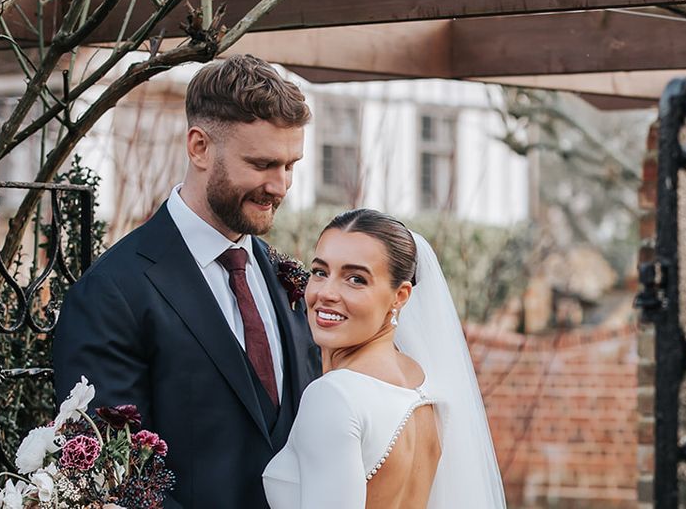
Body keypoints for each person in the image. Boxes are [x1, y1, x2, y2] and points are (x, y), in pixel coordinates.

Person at [52, 54, 321, 509]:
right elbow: (116, 476)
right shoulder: (112, 291)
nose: (280, 186)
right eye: (261, 164)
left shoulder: (286, 278)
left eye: (290, 165)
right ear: (199, 147)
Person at [263, 209, 507, 509]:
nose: (326, 292)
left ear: (400, 296)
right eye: (320, 272)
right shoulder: (427, 383)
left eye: (355, 279)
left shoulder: (334, 395)